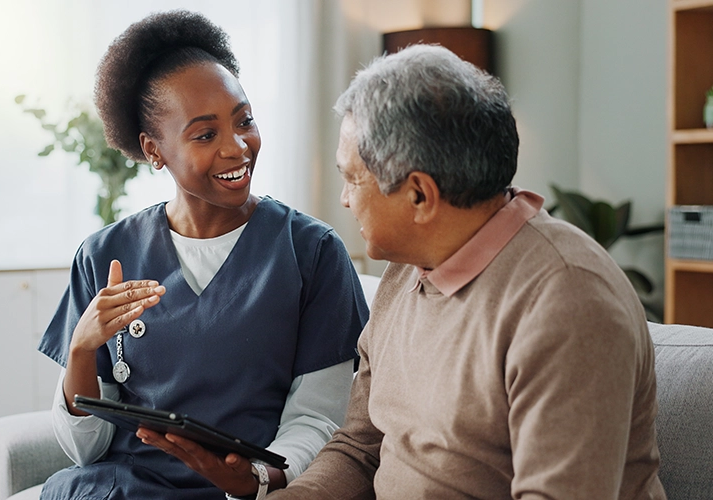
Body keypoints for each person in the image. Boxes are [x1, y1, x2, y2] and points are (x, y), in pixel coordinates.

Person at [268, 44, 666, 499]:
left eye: (352, 178)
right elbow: (360, 447)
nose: (344, 199)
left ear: (420, 195)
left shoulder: (569, 301)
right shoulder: (406, 268)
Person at [36, 10, 368, 500]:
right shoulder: (105, 254)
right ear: (155, 149)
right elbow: (86, 450)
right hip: (121, 489)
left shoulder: (312, 252)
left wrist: (258, 477)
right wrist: (82, 350)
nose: (238, 148)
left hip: (242, 489)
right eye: (205, 134)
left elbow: (320, 418)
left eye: (245, 121)